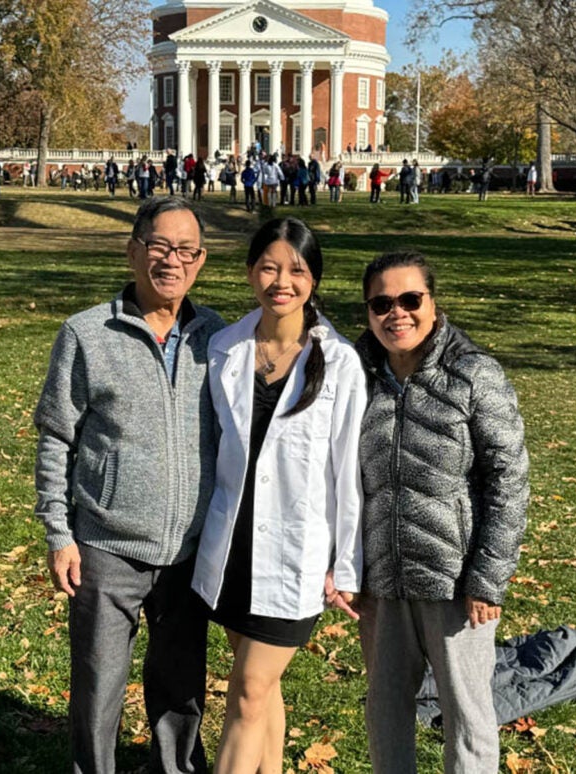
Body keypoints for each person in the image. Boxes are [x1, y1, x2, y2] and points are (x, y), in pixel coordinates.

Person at [34, 197, 224, 774]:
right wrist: (58, 532)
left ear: (200, 260)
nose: (172, 261)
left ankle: (175, 767)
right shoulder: (87, 334)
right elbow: (54, 437)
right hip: (106, 545)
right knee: (98, 683)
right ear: (133, 250)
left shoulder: (216, 338)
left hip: (191, 549)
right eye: (160, 247)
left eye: (186, 251)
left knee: (181, 683)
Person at [192, 217, 364, 774]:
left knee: (244, 693)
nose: (281, 281)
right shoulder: (224, 348)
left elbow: (347, 473)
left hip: (296, 554)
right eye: (268, 266)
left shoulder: (339, 363)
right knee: (260, 691)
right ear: (249, 272)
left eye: (296, 269)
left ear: (314, 278)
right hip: (233, 548)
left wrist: (347, 564)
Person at [355, 250, 529, 774]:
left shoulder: (474, 374)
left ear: (433, 303)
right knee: (385, 709)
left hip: (457, 585)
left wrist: (488, 576)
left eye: (411, 299)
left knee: (467, 716)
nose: (397, 314)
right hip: (382, 581)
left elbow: (509, 478)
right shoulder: (356, 375)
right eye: (381, 303)